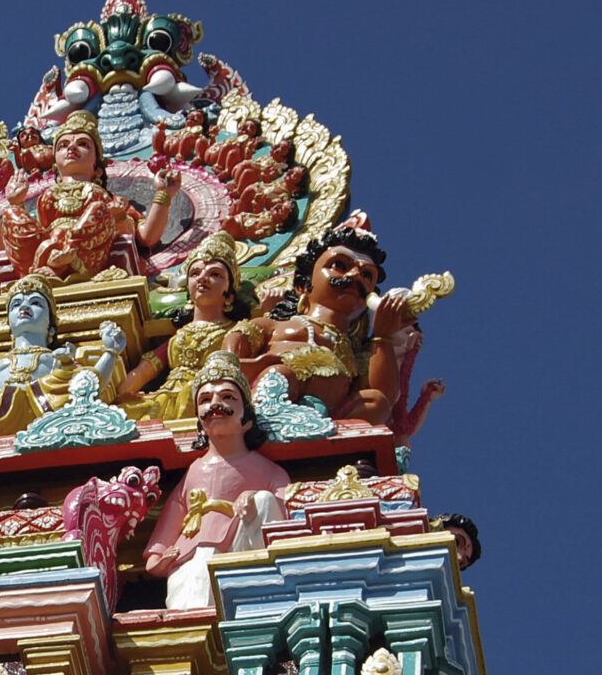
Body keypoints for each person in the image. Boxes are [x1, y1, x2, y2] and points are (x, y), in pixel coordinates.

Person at [140, 356, 289, 608]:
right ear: (199, 422)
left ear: (247, 420)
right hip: (193, 555)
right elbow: (172, 519)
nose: (215, 405)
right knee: (193, 610)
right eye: (205, 399)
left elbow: (284, 511)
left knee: (264, 500)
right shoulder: (193, 473)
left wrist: (254, 497)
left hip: (242, 549)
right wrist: (158, 557)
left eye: (228, 397)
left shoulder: (268, 470)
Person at [0, 110, 182, 282]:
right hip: (44, 254)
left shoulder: (108, 200)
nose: (71, 147)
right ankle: (49, 265)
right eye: (63, 145)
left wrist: (163, 195)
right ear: (55, 165)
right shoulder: (46, 196)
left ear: (98, 168)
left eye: (83, 144)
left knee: (99, 209)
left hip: (87, 255)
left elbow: (146, 237)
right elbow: (5, 244)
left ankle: (67, 263)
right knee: (11, 213)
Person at [242, 223, 407, 426]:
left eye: (367, 275)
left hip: (328, 419)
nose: (356, 276)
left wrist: (383, 336)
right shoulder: (274, 325)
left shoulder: (357, 353)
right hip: (270, 403)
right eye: (339, 265)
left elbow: (386, 395)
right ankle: (263, 428)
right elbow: (229, 358)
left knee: (376, 402)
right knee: (280, 375)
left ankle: (326, 439)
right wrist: (262, 364)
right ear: (303, 286)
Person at [0, 275, 127, 439]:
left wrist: (110, 352)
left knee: (78, 381)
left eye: (36, 303)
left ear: (51, 323)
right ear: (9, 323)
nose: (24, 307)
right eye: (16, 304)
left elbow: (91, 383)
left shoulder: (55, 358)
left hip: (48, 409)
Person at [121, 233, 266, 422]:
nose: (203, 278)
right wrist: (125, 392)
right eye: (195, 273)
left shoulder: (234, 332)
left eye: (215, 274)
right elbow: (144, 370)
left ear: (229, 295)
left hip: (203, 399)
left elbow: (239, 371)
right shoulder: (177, 337)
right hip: (163, 399)